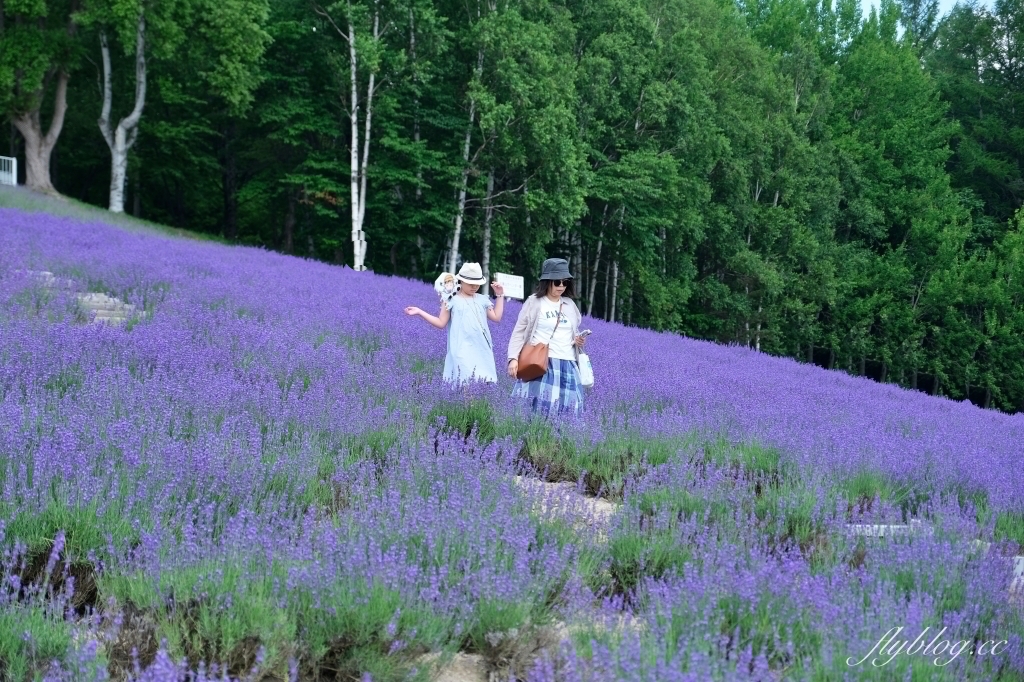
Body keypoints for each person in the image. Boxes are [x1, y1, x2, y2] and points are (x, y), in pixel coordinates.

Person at [507, 258, 588, 415]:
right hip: (542, 363)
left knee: (569, 414)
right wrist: (513, 358)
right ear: (547, 281)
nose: (562, 286)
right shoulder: (535, 302)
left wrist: (578, 340)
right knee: (536, 412)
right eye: (557, 282)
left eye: (565, 282)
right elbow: (519, 332)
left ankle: (559, 441)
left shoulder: (570, 305)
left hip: (568, 363)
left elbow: (572, 331)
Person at [405, 262, 505, 385]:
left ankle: (479, 404)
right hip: (461, 348)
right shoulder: (451, 300)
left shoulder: (482, 299)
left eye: (477, 284)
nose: (474, 287)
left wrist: (500, 295)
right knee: (464, 382)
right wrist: (420, 312)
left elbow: (496, 317)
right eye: (470, 283)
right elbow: (441, 322)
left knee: (484, 383)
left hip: (481, 348)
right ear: (461, 281)